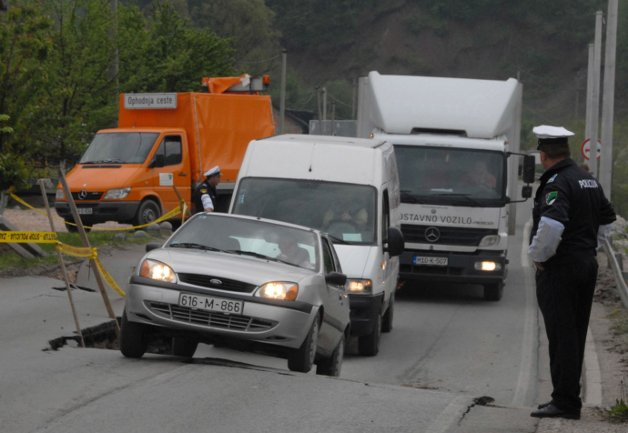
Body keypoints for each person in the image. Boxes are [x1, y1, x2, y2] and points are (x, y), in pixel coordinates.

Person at [528, 125, 616, 420]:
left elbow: (552, 225)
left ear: (543, 155)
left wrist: (538, 256)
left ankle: (565, 401)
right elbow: (608, 219)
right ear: (565, 150)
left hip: (561, 268)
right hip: (585, 264)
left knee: (561, 334)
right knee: (575, 332)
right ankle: (567, 398)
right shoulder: (587, 179)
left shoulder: (556, 182)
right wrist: (591, 247)